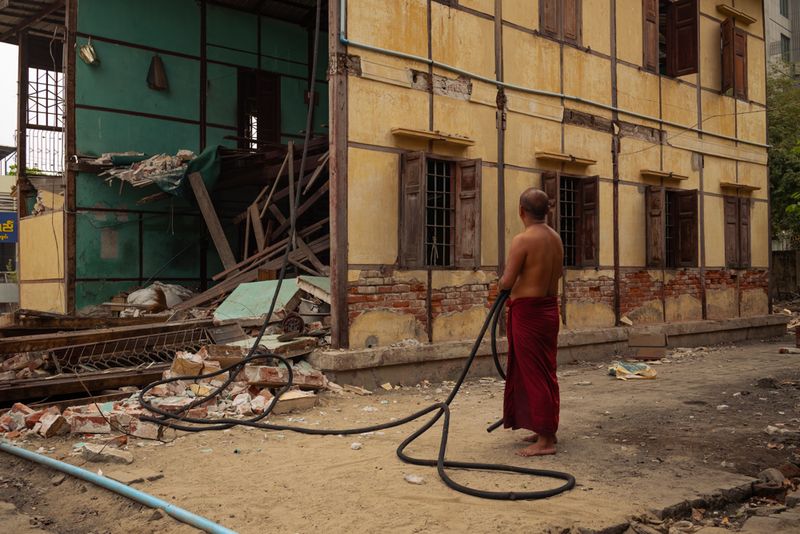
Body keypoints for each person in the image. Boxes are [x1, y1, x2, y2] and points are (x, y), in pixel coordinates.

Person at [497, 187, 563, 457]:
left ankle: (545, 440)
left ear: (521, 211)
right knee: (545, 371)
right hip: (549, 310)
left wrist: (500, 285)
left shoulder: (522, 240)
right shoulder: (556, 238)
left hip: (529, 312)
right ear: (546, 211)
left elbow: (507, 281)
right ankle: (544, 428)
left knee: (533, 374)